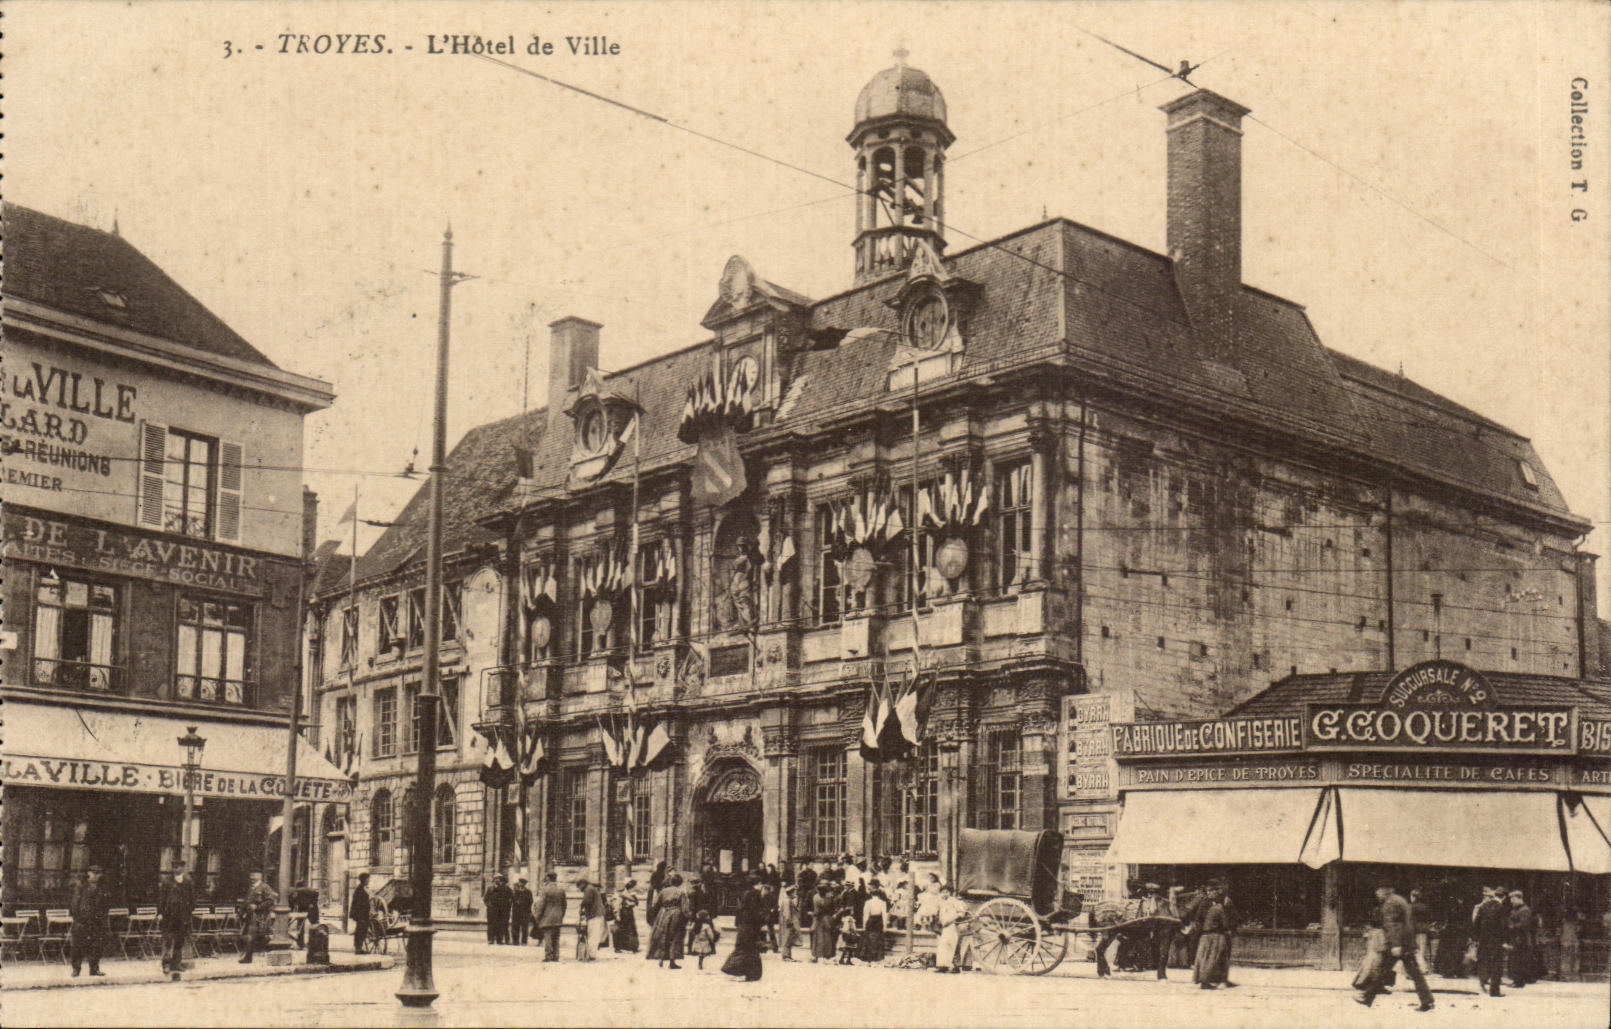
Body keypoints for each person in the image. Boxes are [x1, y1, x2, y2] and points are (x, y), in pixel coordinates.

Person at [1355, 882, 1434, 1011]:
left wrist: (1395, 945)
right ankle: (1427, 1001)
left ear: (1387, 890)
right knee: (1413, 973)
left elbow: (1392, 925)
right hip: (1406, 943)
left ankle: (1367, 996)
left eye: (1379, 890)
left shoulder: (1389, 904)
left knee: (1384, 970)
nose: (1377, 893)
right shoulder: (1400, 900)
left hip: (1398, 945)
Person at [1192, 881, 1239, 991]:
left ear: (1218, 891)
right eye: (1208, 891)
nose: (1209, 893)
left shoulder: (1226, 902)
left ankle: (1222, 979)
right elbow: (1198, 918)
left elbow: (1233, 918)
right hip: (1209, 933)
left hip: (1222, 933)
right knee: (1209, 957)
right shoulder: (1204, 903)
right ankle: (1206, 980)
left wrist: (1231, 930)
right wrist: (1201, 929)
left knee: (1222, 957)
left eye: (1212, 890)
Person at [158, 861, 196, 978]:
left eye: (178, 867)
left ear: (183, 868)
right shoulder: (167, 882)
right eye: (174, 867)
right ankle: (166, 964)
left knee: (179, 941)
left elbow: (193, 899)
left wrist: (188, 911)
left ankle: (176, 963)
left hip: (182, 917)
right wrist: (160, 912)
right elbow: (161, 898)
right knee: (168, 940)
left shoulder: (188, 882)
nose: (176, 869)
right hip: (169, 917)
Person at [722, 878, 766, 981]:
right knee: (749, 951)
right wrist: (762, 920)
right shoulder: (755, 895)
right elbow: (755, 913)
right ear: (757, 884)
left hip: (744, 927)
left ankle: (750, 973)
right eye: (761, 884)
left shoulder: (745, 895)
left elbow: (740, 911)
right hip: (750, 928)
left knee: (746, 950)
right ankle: (749, 973)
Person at [1472, 885, 1509, 998]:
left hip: (1483, 939)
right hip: (1496, 940)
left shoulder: (1484, 906)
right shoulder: (1501, 908)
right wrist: (1505, 940)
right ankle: (1494, 990)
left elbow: (1476, 923)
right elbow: (1503, 926)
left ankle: (1483, 983)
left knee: (1484, 961)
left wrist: (1477, 938)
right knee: (1496, 964)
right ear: (1504, 897)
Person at [647, 872, 689, 969]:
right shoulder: (681, 892)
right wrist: (687, 917)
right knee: (674, 937)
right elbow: (684, 908)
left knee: (663, 935)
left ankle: (661, 959)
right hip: (676, 913)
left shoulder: (663, 891)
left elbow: (654, 904)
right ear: (680, 882)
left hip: (663, 913)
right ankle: (672, 961)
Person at [238, 870, 278, 964]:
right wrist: (240, 914)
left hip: (259, 916)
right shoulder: (251, 888)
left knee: (252, 936)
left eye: (254, 875)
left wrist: (258, 907)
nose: (252, 878)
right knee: (248, 936)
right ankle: (248, 956)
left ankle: (248, 957)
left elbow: (270, 901)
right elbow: (246, 902)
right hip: (249, 915)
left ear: (260, 876)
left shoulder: (265, 887)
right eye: (251, 875)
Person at [1507, 889, 1540, 987]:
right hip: (1515, 937)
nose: (1511, 901)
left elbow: (1524, 924)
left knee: (1520, 960)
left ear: (1519, 898)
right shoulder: (1515, 909)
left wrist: (1512, 926)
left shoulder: (1525, 910)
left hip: (1522, 938)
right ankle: (1516, 980)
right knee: (1515, 960)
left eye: (1513, 899)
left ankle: (1519, 981)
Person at [935, 884, 970, 973]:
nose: (944, 894)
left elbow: (961, 912)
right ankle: (943, 966)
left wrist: (953, 919)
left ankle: (956, 966)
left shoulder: (955, 901)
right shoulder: (942, 902)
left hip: (953, 925)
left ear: (950, 893)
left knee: (953, 945)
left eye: (946, 892)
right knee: (943, 946)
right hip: (945, 926)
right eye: (942, 892)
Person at [534, 871, 568, 962]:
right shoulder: (561, 889)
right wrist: (561, 915)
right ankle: (556, 956)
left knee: (548, 937)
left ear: (548, 878)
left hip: (547, 918)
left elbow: (541, 905)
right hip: (558, 918)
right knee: (556, 938)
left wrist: (537, 916)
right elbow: (564, 905)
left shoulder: (545, 889)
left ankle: (548, 956)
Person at [577, 876, 605, 961]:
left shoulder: (588, 889)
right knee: (594, 935)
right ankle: (592, 953)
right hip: (597, 915)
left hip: (594, 915)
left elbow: (586, 901)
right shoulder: (592, 888)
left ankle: (591, 954)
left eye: (579, 886)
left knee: (592, 935)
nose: (579, 889)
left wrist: (581, 908)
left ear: (583, 884)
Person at [810, 881, 839, 964]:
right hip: (827, 919)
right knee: (827, 938)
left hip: (819, 919)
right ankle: (827, 955)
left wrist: (814, 915)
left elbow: (816, 911)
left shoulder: (816, 897)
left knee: (818, 938)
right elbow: (832, 908)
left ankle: (818, 955)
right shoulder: (829, 898)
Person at [859, 884, 888, 963]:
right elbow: (884, 915)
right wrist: (885, 926)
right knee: (878, 938)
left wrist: (864, 925)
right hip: (879, 921)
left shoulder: (868, 902)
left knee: (870, 938)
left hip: (871, 920)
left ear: (871, 894)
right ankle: (877, 957)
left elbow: (865, 915)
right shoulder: (883, 902)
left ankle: (870, 956)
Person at [612, 880, 640, 952]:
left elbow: (635, 903)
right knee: (622, 929)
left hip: (628, 913)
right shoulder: (623, 894)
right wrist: (617, 915)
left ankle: (631, 947)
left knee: (630, 929)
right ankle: (619, 947)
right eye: (634, 886)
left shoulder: (631, 894)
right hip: (623, 913)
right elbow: (617, 904)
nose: (636, 888)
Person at [484, 874, 512, 945]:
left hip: (500, 910)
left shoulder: (503, 888)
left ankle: (499, 939)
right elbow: (485, 899)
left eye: (499, 879)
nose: (497, 880)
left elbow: (507, 899)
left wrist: (506, 906)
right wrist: (489, 905)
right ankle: (490, 939)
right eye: (496, 879)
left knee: (500, 925)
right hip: (491, 910)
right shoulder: (490, 888)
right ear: (494, 880)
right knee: (491, 925)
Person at [349, 872, 373, 955]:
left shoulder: (364, 888)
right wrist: (360, 916)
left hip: (364, 914)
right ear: (363, 880)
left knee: (363, 931)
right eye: (367, 879)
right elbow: (357, 904)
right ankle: (358, 948)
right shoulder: (359, 890)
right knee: (360, 931)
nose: (368, 880)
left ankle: (360, 947)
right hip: (360, 914)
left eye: (368, 878)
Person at [1409, 888, 1432, 967]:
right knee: (1423, 949)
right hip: (1424, 929)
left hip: (1414, 930)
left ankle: (1420, 967)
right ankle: (1424, 966)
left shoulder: (1411, 907)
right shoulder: (1425, 907)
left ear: (1414, 897)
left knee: (1415, 950)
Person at [510, 878, 534, 946]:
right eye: (520, 882)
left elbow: (530, 901)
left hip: (525, 912)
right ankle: (515, 941)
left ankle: (524, 941)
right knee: (515, 927)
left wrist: (525, 905)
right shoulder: (515, 891)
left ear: (525, 884)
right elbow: (512, 900)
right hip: (516, 912)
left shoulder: (528, 892)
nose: (521, 884)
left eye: (523, 883)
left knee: (524, 927)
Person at [778, 883, 799, 961]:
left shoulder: (789, 900)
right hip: (788, 923)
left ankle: (787, 955)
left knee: (789, 938)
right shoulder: (787, 901)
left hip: (788, 922)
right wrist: (789, 921)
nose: (795, 894)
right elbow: (787, 913)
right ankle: (786, 956)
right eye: (794, 892)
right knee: (787, 939)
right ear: (791, 892)